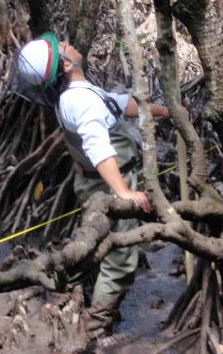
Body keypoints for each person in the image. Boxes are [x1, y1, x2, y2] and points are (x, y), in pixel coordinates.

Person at [14, 32, 168, 334]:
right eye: (62, 47)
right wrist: (124, 193)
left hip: (93, 182)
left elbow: (117, 104)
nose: (67, 44)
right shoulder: (80, 100)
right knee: (122, 259)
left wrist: (164, 111)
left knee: (103, 247)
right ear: (67, 62)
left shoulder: (76, 93)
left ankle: (92, 290)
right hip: (107, 186)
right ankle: (97, 325)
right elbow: (98, 147)